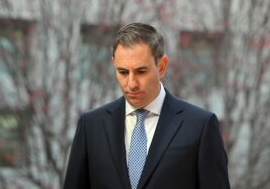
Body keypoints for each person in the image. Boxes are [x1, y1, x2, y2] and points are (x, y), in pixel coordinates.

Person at [63, 22, 230, 189]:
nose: (132, 83)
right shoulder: (91, 126)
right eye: (123, 72)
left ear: (162, 66)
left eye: (141, 72)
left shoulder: (200, 127)